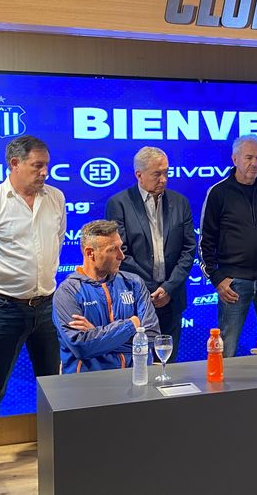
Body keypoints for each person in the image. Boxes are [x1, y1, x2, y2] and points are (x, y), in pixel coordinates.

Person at [0, 135, 66, 486]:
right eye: (37, 165)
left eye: (46, 165)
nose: (44, 172)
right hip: (2, 307)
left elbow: (56, 242)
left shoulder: (56, 198)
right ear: (14, 164)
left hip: (45, 308)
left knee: (52, 384)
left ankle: (56, 447)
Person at [199, 134, 257, 357]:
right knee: (226, 349)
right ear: (235, 159)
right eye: (249, 157)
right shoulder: (218, 193)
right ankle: (220, 391)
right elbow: (205, 242)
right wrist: (217, 278)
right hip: (233, 284)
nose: (254, 163)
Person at [105, 147, 195, 362]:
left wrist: (168, 288)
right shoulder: (119, 204)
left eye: (166, 173)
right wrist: (153, 289)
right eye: (157, 174)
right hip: (136, 299)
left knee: (167, 363)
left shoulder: (180, 202)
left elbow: (188, 249)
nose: (163, 179)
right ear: (139, 175)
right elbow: (121, 254)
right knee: (137, 362)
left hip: (171, 299)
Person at [52, 220, 161, 372]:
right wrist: (132, 325)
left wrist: (96, 333)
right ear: (91, 253)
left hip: (134, 379)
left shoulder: (134, 283)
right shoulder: (67, 292)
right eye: (113, 250)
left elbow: (151, 337)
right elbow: (81, 347)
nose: (121, 256)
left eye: (121, 247)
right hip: (87, 385)